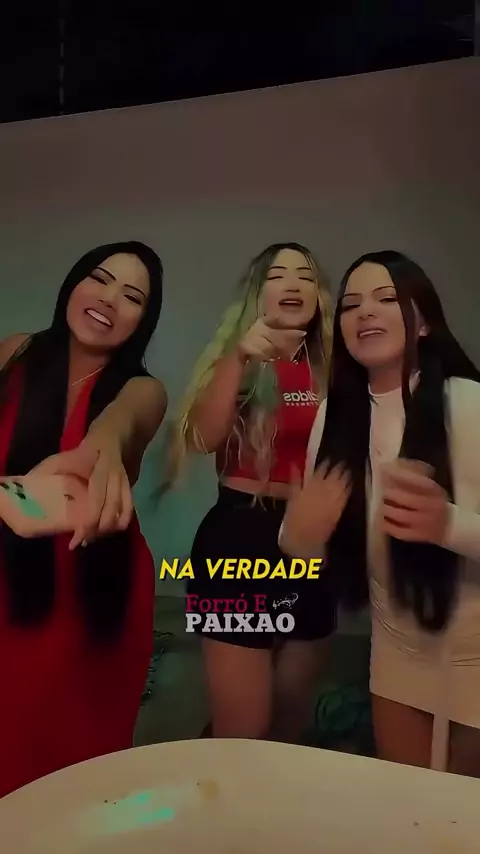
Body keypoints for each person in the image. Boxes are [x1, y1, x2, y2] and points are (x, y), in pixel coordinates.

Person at [280, 249, 480, 776]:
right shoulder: (334, 417)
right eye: (351, 305)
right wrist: (296, 540)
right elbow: (314, 551)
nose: (365, 311)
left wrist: (448, 525)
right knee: (405, 804)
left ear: (424, 323)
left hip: (476, 654)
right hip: (394, 650)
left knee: (461, 813)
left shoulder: (468, 403)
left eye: (386, 298)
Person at [0, 241, 167, 797]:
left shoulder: (143, 389)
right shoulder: (16, 352)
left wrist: (102, 448)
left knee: (69, 763)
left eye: (132, 296)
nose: (109, 298)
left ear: (143, 320)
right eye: (99, 278)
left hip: (90, 586)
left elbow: (121, 421)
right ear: (73, 283)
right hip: (8, 568)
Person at [167, 242, 335, 741]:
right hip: (240, 537)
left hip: (314, 541)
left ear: (320, 295)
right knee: (245, 726)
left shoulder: (335, 368)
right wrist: (238, 358)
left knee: (289, 712)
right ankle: (216, 778)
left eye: (305, 275)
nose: (292, 283)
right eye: (277, 275)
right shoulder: (236, 359)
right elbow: (201, 440)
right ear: (257, 295)